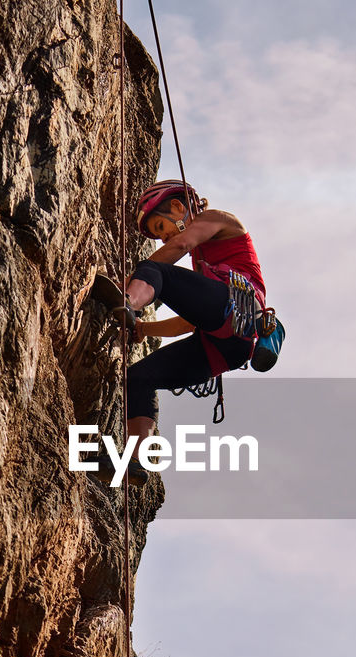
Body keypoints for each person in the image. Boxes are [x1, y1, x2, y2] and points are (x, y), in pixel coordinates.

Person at [111, 179, 267, 483]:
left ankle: (127, 301)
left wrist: (131, 284)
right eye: (158, 234)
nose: (163, 237)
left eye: (161, 226)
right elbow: (191, 322)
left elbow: (179, 245)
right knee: (138, 378)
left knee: (154, 270)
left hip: (234, 307)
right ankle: (136, 460)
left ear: (179, 207)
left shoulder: (219, 220)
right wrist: (144, 328)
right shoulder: (204, 263)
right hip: (227, 346)